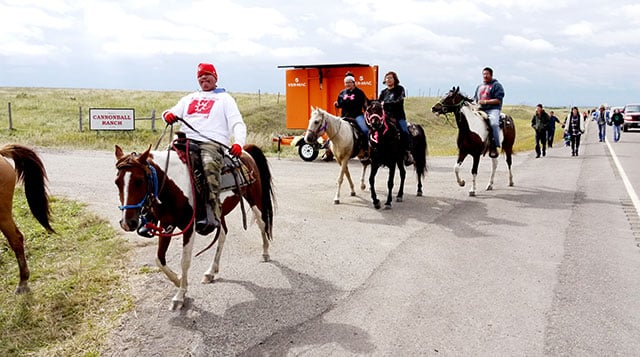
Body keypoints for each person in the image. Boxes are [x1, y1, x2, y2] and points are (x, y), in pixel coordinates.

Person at [162, 62, 247, 235]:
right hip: (185, 140)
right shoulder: (189, 98)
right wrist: (167, 115)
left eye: (208, 75)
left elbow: (237, 123)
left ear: (215, 77)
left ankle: (212, 211)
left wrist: (238, 143)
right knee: (161, 164)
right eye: (201, 76)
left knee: (209, 166)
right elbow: (171, 112)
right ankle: (151, 213)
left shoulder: (225, 99)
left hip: (211, 143)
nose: (204, 78)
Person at [378, 71, 413, 165]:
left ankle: (408, 153)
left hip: (398, 116)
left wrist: (386, 103)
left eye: (390, 78)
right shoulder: (383, 92)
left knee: (404, 131)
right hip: (386, 117)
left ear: (395, 79)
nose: (388, 80)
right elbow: (378, 103)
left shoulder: (400, 89)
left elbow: (399, 101)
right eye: (387, 78)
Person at [334, 72, 369, 158]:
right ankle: (329, 150)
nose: (348, 84)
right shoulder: (342, 93)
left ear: (354, 83)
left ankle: (365, 149)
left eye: (349, 82)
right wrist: (337, 104)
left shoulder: (359, 92)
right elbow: (340, 104)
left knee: (365, 130)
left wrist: (349, 101)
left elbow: (363, 104)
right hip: (344, 116)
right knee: (334, 129)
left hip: (357, 116)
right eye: (346, 83)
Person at [474, 67, 505, 158]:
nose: (485, 76)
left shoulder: (496, 85)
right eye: (483, 74)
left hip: (493, 109)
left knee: (494, 124)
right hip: (480, 109)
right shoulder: (479, 86)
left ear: (491, 75)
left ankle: (494, 146)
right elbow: (476, 99)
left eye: (487, 74)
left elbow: (498, 100)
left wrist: (486, 102)